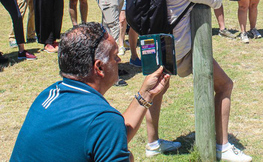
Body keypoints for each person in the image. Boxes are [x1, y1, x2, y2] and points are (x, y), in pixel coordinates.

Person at [141, 0, 252, 161]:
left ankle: (152, 143)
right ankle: (222, 147)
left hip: (158, 41)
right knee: (225, 85)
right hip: (183, 47)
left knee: (155, 90)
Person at [10, 22, 171, 162]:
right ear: (99, 67)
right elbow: (104, 131)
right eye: (115, 56)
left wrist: (146, 94)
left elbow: (104, 137)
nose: (119, 61)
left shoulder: (49, 95)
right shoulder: (102, 120)